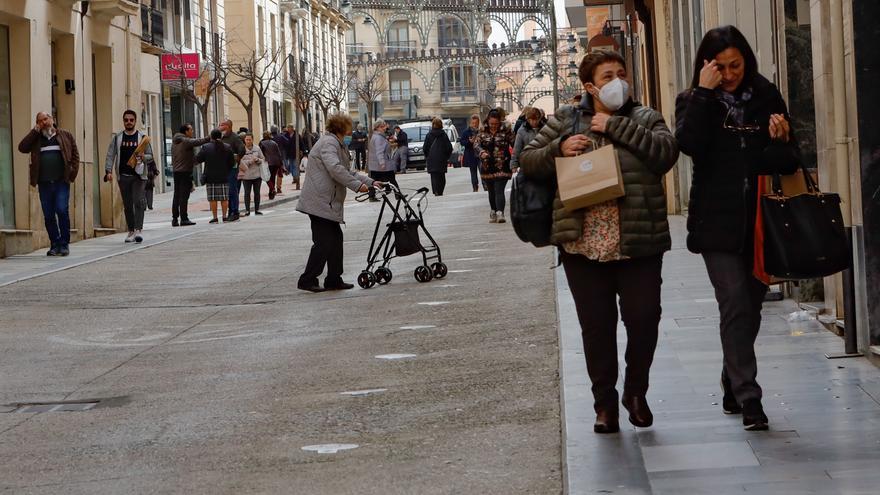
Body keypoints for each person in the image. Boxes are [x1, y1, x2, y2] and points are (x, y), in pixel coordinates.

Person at [520, 49, 679, 434]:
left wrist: (615, 127)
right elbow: (526, 158)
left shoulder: (645, 117)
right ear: (589, 86)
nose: (618, 81)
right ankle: (604, 404)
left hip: (638, 241)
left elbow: (665, 154)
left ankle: (635, 392)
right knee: (597, 327)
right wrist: (558, 149)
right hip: (582, 244)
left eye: (622, 73)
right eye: (608, 75)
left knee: (644, 320)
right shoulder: (565, 119)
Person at [675, 26, 800, 431]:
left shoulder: (766, 95)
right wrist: (704, 93)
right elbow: (690, 145)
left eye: (736, 65)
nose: (730, 74)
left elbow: (788, 161)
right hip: (717, 223)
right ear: (706, 66)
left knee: (751, 305)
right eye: (720, 67)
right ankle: (750, 397)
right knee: (734, 303)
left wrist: (780, 142)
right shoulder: (694, 100)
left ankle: (732, 377)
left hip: (763, 222)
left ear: (746, 61)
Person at [296, 113, 383, 292]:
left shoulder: (337, 144)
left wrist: (369, 182)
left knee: (335, 240)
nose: (351, 130)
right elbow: (335, 169)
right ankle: (307, 279)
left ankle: (334, 279)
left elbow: (347, 171)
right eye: (349, 127)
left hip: (327, 201)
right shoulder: (329, 143)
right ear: (342, 127)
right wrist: (358, 187)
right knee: (324, 242)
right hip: (320, 201)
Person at [17, 112, 80, 256]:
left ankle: (64, 244)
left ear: (52, 119)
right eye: (40, 121)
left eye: (45, 119)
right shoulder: (36, 139)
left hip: (61, 182)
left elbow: (75, 155)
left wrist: (71, 174)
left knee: (62, 210)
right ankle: (54, 244)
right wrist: (34, 131)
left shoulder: (65, 135)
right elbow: (22, 148)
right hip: (44, 183)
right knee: (49, 215)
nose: (43, 122)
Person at [104, 109, 155, 244]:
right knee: (127, 205)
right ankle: (131, 230)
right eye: (126, 120)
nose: (129, 122)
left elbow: (151, 156)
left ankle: (138, 230)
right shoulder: (118, 138)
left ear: (135, 121)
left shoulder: (142, 137)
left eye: (131, 120)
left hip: (138, 175)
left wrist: (144, 157)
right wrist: (108, 171)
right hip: (123, 176)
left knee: (138, 201)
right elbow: (110, 155)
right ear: (123, 121)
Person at [473, 109, 515, 223]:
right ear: (488, 121)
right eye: (492, 124)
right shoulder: (482, 130)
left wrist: (515, 160)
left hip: (502, 164)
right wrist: (481, 152)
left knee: (499, 189)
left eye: (496, 124)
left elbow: (515, 144)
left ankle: (500, 212)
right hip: (487, 165)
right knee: (491, 190)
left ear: (500, 121)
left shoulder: (506, 130)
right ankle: (493, 210)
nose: (494, 126)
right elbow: (476, 144)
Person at [171, 123, 209, 226]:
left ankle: (175, 219)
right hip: (184, 171)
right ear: (186, 131)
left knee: (177, 195)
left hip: (176, 171)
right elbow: (197, 142)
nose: (192, 131)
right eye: (191, 130)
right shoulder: (184, 140)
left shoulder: (176, 141)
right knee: (184, 196)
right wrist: (209, 138)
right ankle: (184, 218)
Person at [196, 129, 234, 223]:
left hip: (210, 176)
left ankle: (215, 217)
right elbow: (232, 162)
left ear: (211, 137)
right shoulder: (227, 147)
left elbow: (199, 159)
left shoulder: (206, 147)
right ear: (221, 136)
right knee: (224, 197)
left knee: (213, 198)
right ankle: (224, 216)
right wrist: (227, 170)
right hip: (224, 175)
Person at [219, 119, 245, 222]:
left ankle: (234, 211)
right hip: (222, 168)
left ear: (228, 126)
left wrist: (238, 158)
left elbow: (242, 149)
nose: (220, 127)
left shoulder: (234, 138)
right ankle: (230, 211)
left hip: (232, 168)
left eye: (222, 125)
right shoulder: (221, 137)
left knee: (232, 190)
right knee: (227, 191)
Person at [366, 119, 398, 201]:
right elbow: (379, 151)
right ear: (377, 128)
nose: (384, 128)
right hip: (381, 164)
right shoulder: (378, 138)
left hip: (375, 164)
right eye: (382, 126)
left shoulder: (377, 136)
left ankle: (372, 196)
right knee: (391, 178)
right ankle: (397, 194)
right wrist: (382, 163)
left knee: (373, 180)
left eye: (384, 126)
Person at [424, 117, 452, 196]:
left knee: (434, 176)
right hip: (442, 159)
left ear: (433, 125)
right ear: (441, 125)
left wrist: (428, 156)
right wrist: (446, 156)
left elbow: (425, 148)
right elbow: (449, 147)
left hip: (432, 159)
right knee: (441, 176)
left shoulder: (428, 135)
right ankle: (440, 190)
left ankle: (435, 190)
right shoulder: (444, 135)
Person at [511, 107, 545, 171]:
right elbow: (517, 149)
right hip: (527, 165)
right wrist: (514, 165)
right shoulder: (522, 131)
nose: (534, 122)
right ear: (528, 119)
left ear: (540, 118)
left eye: (537, 119)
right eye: (532, 119)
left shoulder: (545, 129)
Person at [240, 134, 266, 216]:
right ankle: (247, 210)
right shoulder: (242, 149)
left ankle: (257, 209)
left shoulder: (257, 148)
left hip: (257, 175)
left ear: (252, 140)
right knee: (247, 193)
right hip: (246, 175)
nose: (248, 141)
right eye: (246, 139)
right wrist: (249, 162)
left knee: (257, 193)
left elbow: (263, 158)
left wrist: (258, 160)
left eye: (249, 139)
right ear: (244, 140)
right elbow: (239, 161)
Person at [460, 114, 481, 192]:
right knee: (473, 173)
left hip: (480, 155)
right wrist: (469, 141)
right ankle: (475, 187)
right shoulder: (466, 132)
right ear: (470, 123)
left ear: (478, 123)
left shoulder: (481, 131)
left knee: (482, 171)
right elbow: (462, 142)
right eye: (473, 123)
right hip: (471, 155)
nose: (474, 124)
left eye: (476, 123)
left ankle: (486, 186)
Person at [260, 131, 284, 200]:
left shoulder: (262, 143)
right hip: (276, 163)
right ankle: (271, 193)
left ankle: (272, 189)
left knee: (266, 177)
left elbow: (260, 153)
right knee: (272, 177)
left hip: (268, 162)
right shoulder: (274, 143)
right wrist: (281, 163)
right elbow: (278, 153)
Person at [282, 125, 301, 192]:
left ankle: (296, 178)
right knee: (292, 166)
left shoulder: (297, 135)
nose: (289, 129)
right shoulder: (286, 135)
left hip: (296, 153)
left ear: (292, 128)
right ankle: (294, 177)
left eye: (290, 128)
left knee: (295, 165)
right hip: (289, 153)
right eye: (288, 128)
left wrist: (304, 151)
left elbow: (301, 143)